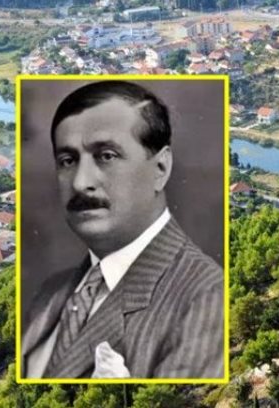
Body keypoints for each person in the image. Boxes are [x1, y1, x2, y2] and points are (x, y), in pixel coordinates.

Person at [21, 81, 224, 379]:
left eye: (107, 156)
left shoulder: (205, 298)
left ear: (160, 168)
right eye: (67, 160)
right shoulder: (51, 294)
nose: (80, 182)